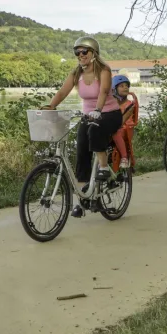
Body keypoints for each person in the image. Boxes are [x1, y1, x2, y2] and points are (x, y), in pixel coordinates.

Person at [44, 36, 123, 217]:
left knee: (95, 130)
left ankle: (103, 167)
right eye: (77, 52)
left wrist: (98, 109)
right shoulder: (76, 73)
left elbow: (103, 91)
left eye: (84, 52)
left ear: (94, 53)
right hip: (89, 115)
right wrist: (51, 106)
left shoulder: (104, 70)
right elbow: (63, 91)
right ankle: (83, 199)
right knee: (81, 151)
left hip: (109, 114)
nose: (81, 55)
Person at [110, 74, 138, 170]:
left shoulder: (129, 104)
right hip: (113, 126)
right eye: (122, 86)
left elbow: (128, 121)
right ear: (114, 89)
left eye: (126, 86)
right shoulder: (110, 104)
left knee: (115, 132)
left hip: (125, 129)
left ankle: (124, 157)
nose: (125, 88)